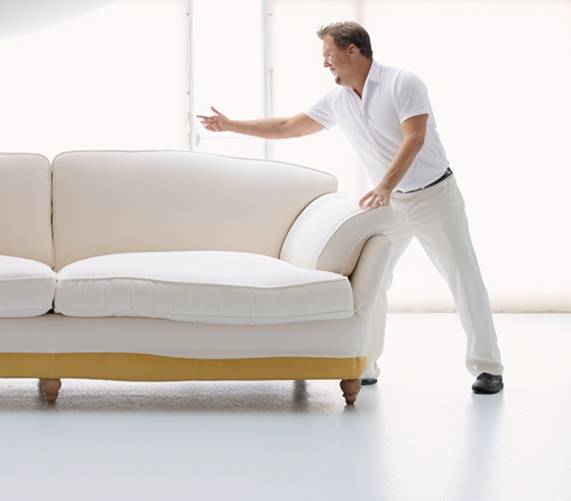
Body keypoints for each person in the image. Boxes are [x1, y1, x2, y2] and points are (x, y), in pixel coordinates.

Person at [197, 21, 504, 395]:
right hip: (389, 203)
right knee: (371, 282)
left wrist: (384, 185)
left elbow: (416, 137)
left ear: (352, 50)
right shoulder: (337, 100)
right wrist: (230, 125)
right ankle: (365, 364)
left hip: (432, 195)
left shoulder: (402, 83)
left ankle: (488, 367)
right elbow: (289, 127)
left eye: (328, 54)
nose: (325, 63)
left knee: (462, 276)